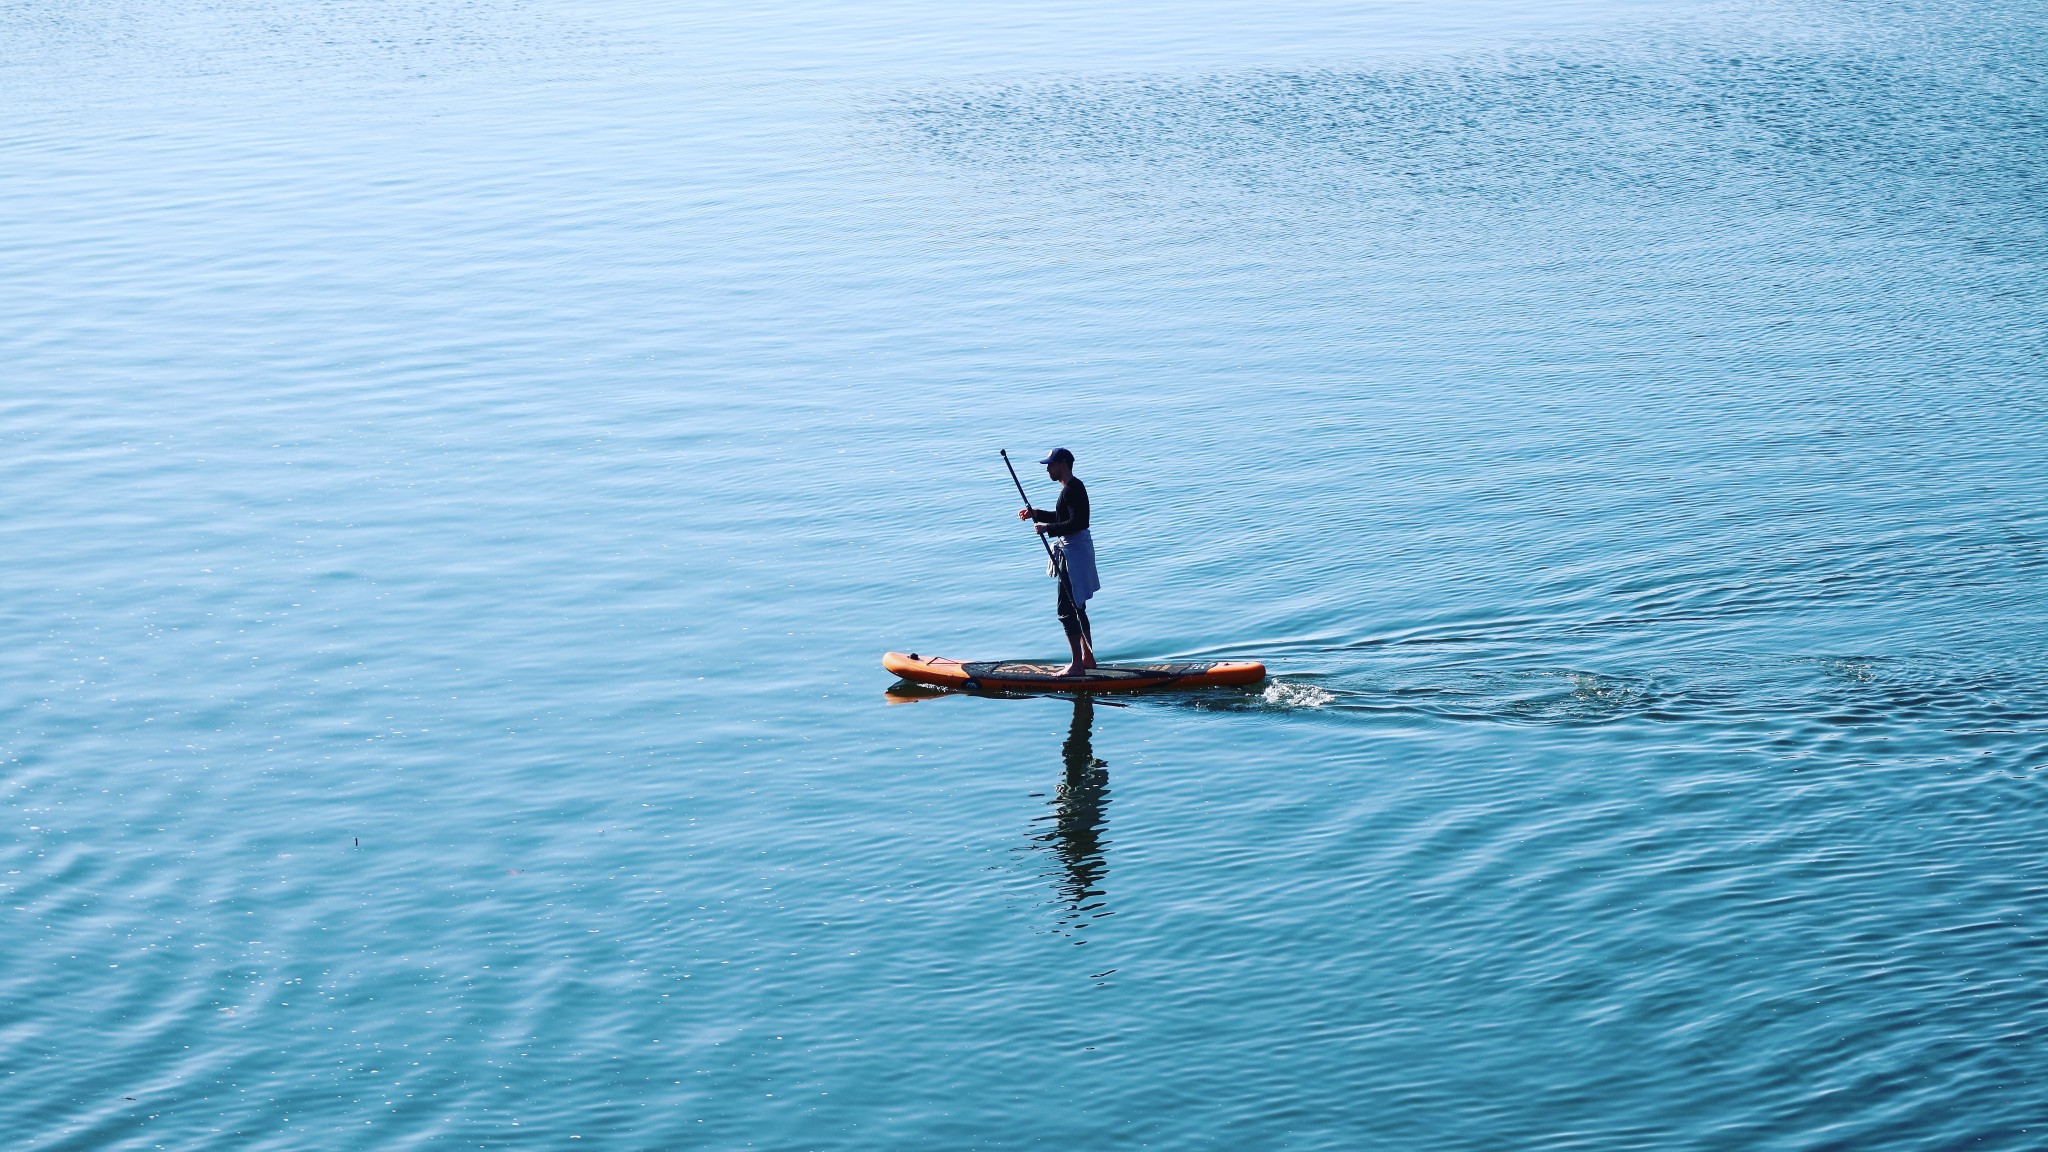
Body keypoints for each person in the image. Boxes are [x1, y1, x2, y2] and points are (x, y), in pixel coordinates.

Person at [1017, 447, 1099, 676]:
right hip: (1076, 550)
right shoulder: (1071, 488)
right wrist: (1038, 514)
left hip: (1073, 553)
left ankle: (1076, 666)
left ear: (1063, 464)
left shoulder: (1073, 488)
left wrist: (1047, 528)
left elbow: (1078, 522)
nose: (1047, 469)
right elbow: (1065, 518)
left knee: (1066, 609)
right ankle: (1087, 658)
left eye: (1050, 465)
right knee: (1077, 605)